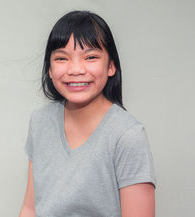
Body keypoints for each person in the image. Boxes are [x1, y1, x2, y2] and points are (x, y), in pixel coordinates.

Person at [19, 11, 156, 217]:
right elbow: (30, 208)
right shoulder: (40, 121)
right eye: (61, 58)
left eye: (90, 57)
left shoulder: (127, 135)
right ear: (49, 68)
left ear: (111, 66)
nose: (75, 69)